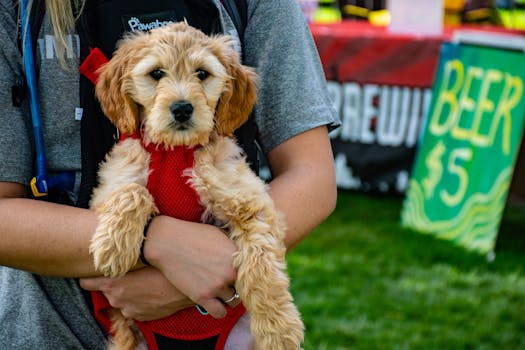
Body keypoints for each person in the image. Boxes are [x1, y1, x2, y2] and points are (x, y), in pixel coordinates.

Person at [0, 0, 339, 349]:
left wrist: (217, 275)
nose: (180, 97)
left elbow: (311, 174)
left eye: (202, 75)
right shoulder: (17, 10)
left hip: (230, 324)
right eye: (156, 75)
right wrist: (154, 242)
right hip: (49, 331)